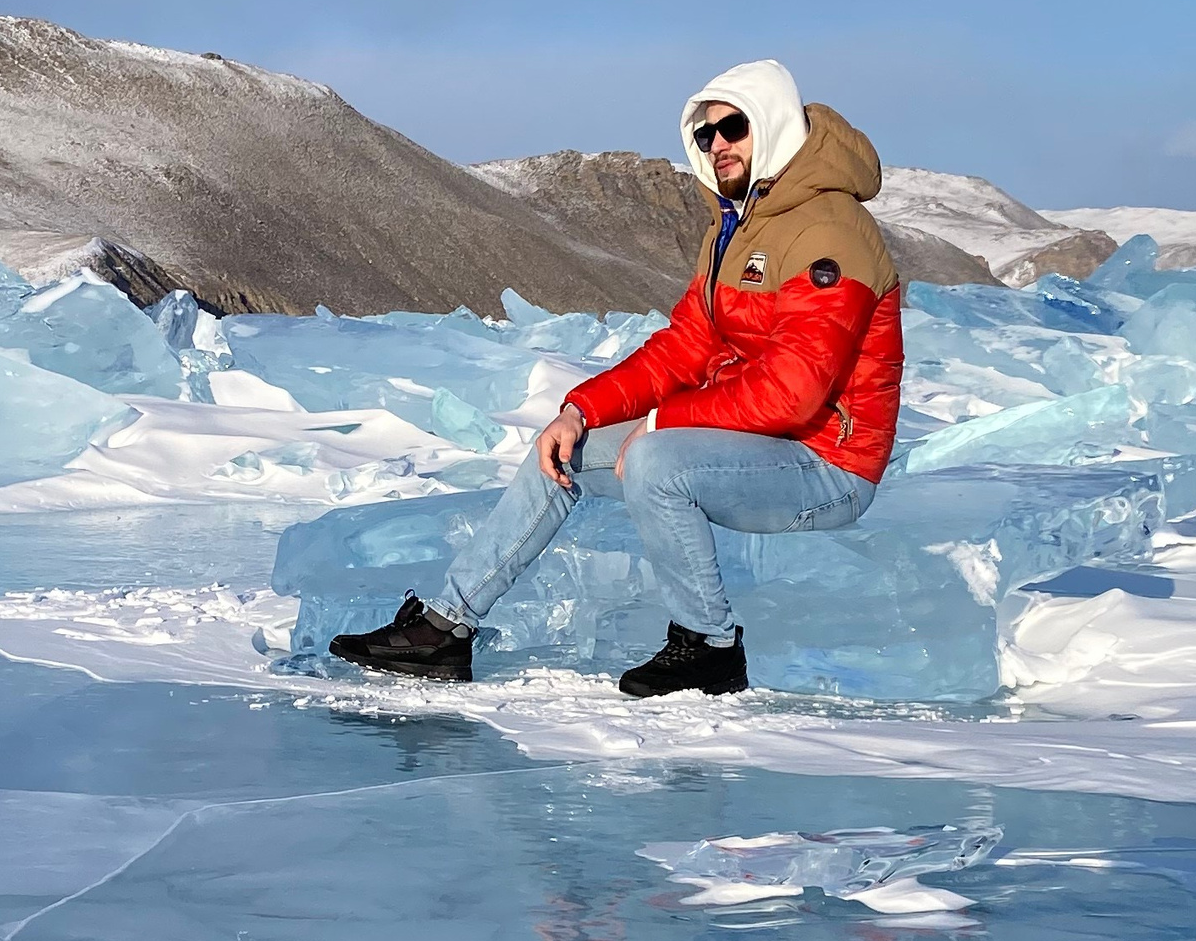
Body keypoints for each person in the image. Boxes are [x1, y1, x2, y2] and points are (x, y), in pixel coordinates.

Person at [331, 58, 905, 698]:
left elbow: (793, 391)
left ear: (772, 125)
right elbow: (684, 348)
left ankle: (709, 647)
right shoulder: (737, 227)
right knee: (562, 449)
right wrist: (580, 411)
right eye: (706, 134)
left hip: (826, 467)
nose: (717, 145)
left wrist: (662, 422)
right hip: (754, 445)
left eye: (734, 128)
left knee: (658, 460)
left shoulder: (829, 229)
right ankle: (445, 626)